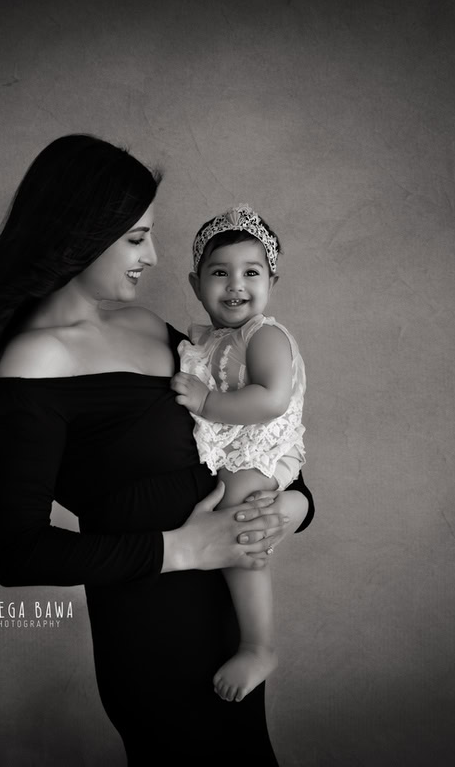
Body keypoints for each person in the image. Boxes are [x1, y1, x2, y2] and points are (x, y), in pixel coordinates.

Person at [0, 134, 315, 764]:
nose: (155, 256)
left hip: (227, 617)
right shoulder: (35, 361)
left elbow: (251, 437)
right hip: (150, 631)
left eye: (151, 234)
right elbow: (19, 554)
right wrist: (185, 548)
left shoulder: (148, 329)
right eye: (136, 238)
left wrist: (292, 509)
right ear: (80, 231)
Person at [170, 204, 307, 704]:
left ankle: (259, 644)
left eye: (251, 272)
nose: (235, 286)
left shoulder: (263, 334)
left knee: (239, 525)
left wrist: (207, 402)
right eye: (219, 273)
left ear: (272, 280)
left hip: (265, 450)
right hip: (243, 450)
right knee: (233, 519)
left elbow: (270, 398)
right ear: (195, 283)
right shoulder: (213, 340)